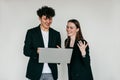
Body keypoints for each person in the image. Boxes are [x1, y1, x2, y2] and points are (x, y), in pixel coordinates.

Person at [23, 6, 61, 80]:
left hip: (51, 73)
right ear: (39, 18)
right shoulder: (31, 32)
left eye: (50, 19)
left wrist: (60, 53)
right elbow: (26, 51)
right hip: (35, 72)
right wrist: (36, 51)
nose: (48, 21)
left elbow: (58, 57)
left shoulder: (56, 34)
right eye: (45, 19)